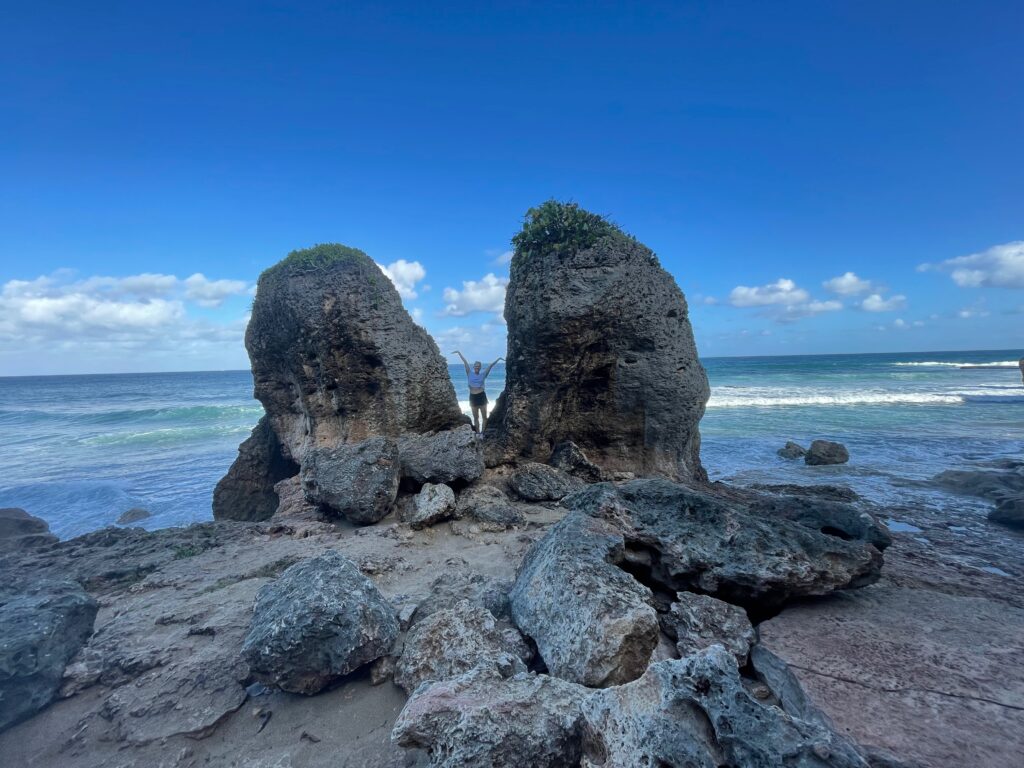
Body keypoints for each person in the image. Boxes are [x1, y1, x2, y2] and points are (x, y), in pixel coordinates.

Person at [453, 350, 502, 433]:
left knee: (484, 417)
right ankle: (478, 433)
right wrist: (459, 353)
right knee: (476, 418)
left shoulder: (483, 374)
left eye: (479, 366)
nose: (477, 367)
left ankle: (482, 433)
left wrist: (498, 359)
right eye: (476, 366)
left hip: (482, 397)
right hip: (472, 397)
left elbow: (490, 366)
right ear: (473, 367)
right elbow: (465, 362)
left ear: (480, 367)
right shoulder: (469, 373)